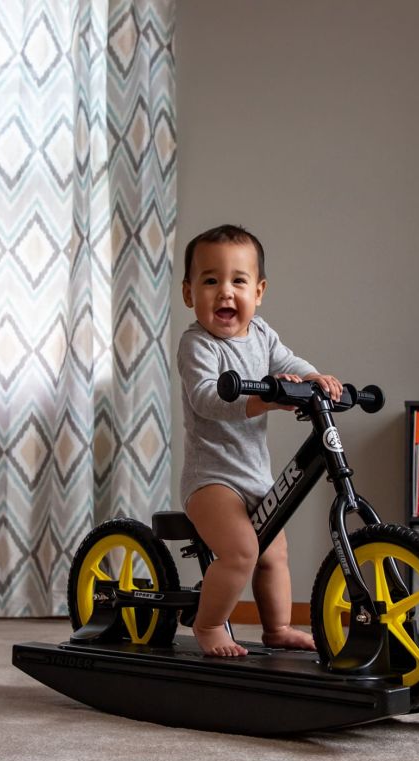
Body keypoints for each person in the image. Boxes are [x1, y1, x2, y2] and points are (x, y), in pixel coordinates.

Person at [178, 224, 343, 657]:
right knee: (240, 552)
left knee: (274, 554)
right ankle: (210, 624)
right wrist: (263, 398)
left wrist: (312, 377)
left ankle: (278, 627)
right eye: (210, 280)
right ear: (189, 294)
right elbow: (207, 399)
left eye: (238, 281)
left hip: (254, 476)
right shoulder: (198, 345)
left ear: (260, 291)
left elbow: (288, 361)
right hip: (212, 479)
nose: (225, 292)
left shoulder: (263, 335)